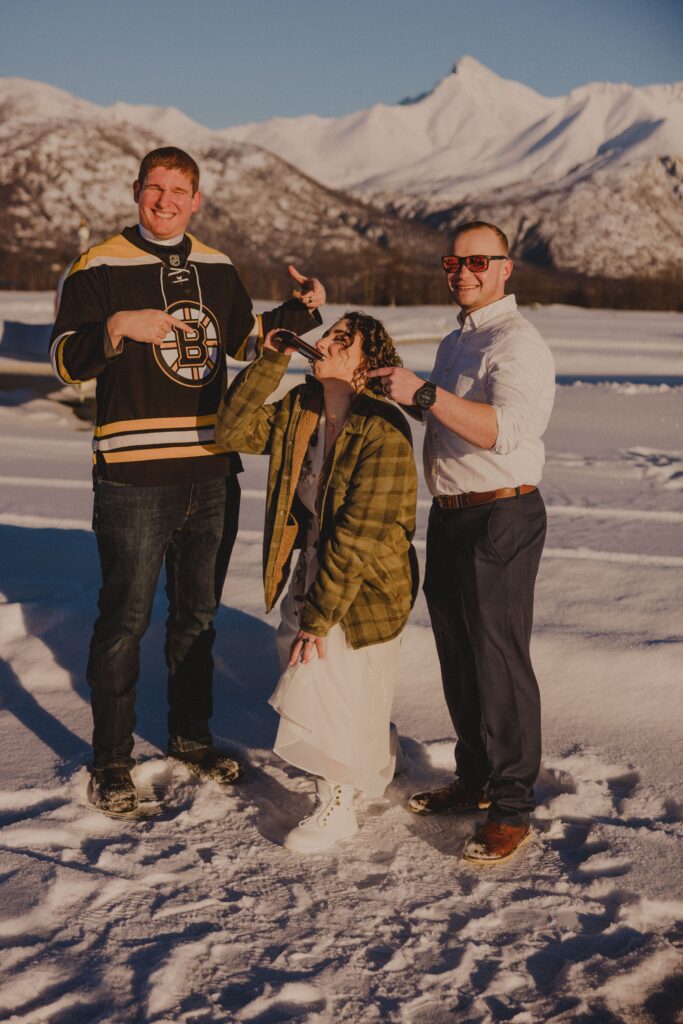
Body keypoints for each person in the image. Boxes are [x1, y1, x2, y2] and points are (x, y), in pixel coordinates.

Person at [50, 146, 326, 816]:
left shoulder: (216, 266)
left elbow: (243, 342)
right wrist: (117, 327)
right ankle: (112, 761)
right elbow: (64, 360)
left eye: (179, 191)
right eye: (155, 188)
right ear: (136, 190)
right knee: (125, 619)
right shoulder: (98, 267)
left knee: (196, 619)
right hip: (134, 476)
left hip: (210, 471)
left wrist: (301, 309)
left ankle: (190, 737)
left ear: (196, 199)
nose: (166, 201)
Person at [369, 221, 555, 865]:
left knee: (499, 661)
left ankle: (510, 807)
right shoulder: (457, 340)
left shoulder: (518, 345)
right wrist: (406, 391)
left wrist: (425, 393)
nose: (464, 270)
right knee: (460, 655)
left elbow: (502, 431)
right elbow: (447, 413)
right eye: (455, 260)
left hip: (500, 516)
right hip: (451, 516)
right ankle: (475, 780)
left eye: (480, 261)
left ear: (507, 268)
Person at [215, 312, 418, 852]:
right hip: (311, 570)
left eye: (342, 340)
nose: (325, 341)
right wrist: (272, 358)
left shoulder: (384, 430)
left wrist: (319, 619)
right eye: (328, 334)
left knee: (323, 676)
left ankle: (338, 803)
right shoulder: (299, 410)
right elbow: (231, 429)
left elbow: (357, 535)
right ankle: (379, 753)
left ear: (366, 365)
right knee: (331, 678)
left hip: (367, 583)